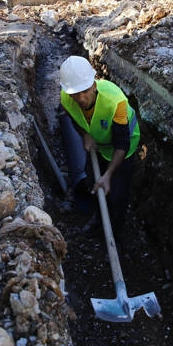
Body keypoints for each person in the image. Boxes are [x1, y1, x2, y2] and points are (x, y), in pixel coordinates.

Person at [58, 56, 140, 237]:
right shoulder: (66, 96)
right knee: (92, 182)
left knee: (117, 194)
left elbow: (122, 143)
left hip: (122, 149)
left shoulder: (115, 101)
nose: (80, 98)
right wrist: (85, 135)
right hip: (98, 145)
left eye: (85, 91)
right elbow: (73, 118)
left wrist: (108, 175)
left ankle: (115, 235)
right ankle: (98, 219)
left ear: (94, 84)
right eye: (75, 93)